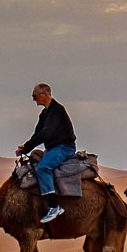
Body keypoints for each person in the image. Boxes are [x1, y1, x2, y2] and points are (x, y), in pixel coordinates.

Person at [17, 82, 76, 225]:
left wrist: (27, 147)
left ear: (44, 95)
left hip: (64, 147)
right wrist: (25, 148)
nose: (34, 99)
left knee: (43, 168)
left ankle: (54, 206)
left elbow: (46, 133)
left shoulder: (57, 111)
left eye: (35, 96)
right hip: (52, 148)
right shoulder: (45, 114)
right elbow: (38, 133)